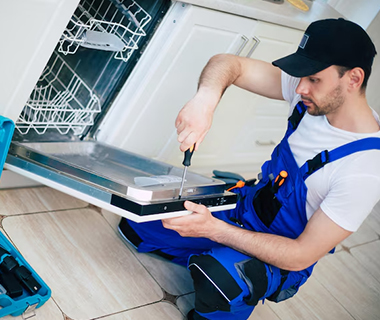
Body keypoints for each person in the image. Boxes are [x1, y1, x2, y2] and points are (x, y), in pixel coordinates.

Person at [118, 18, 380, 320]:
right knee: (137, 220)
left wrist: (214, 230)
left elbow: (300, 256)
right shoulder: (311, 94)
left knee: (219, 279)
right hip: (247, 209)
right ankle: (203, 250)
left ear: (354, 79)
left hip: (279, 251)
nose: (300, 87)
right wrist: (205, 100)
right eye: (300, 76)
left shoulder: (364, 170)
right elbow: (227, 63)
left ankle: (224, 277)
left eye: (314, 79)